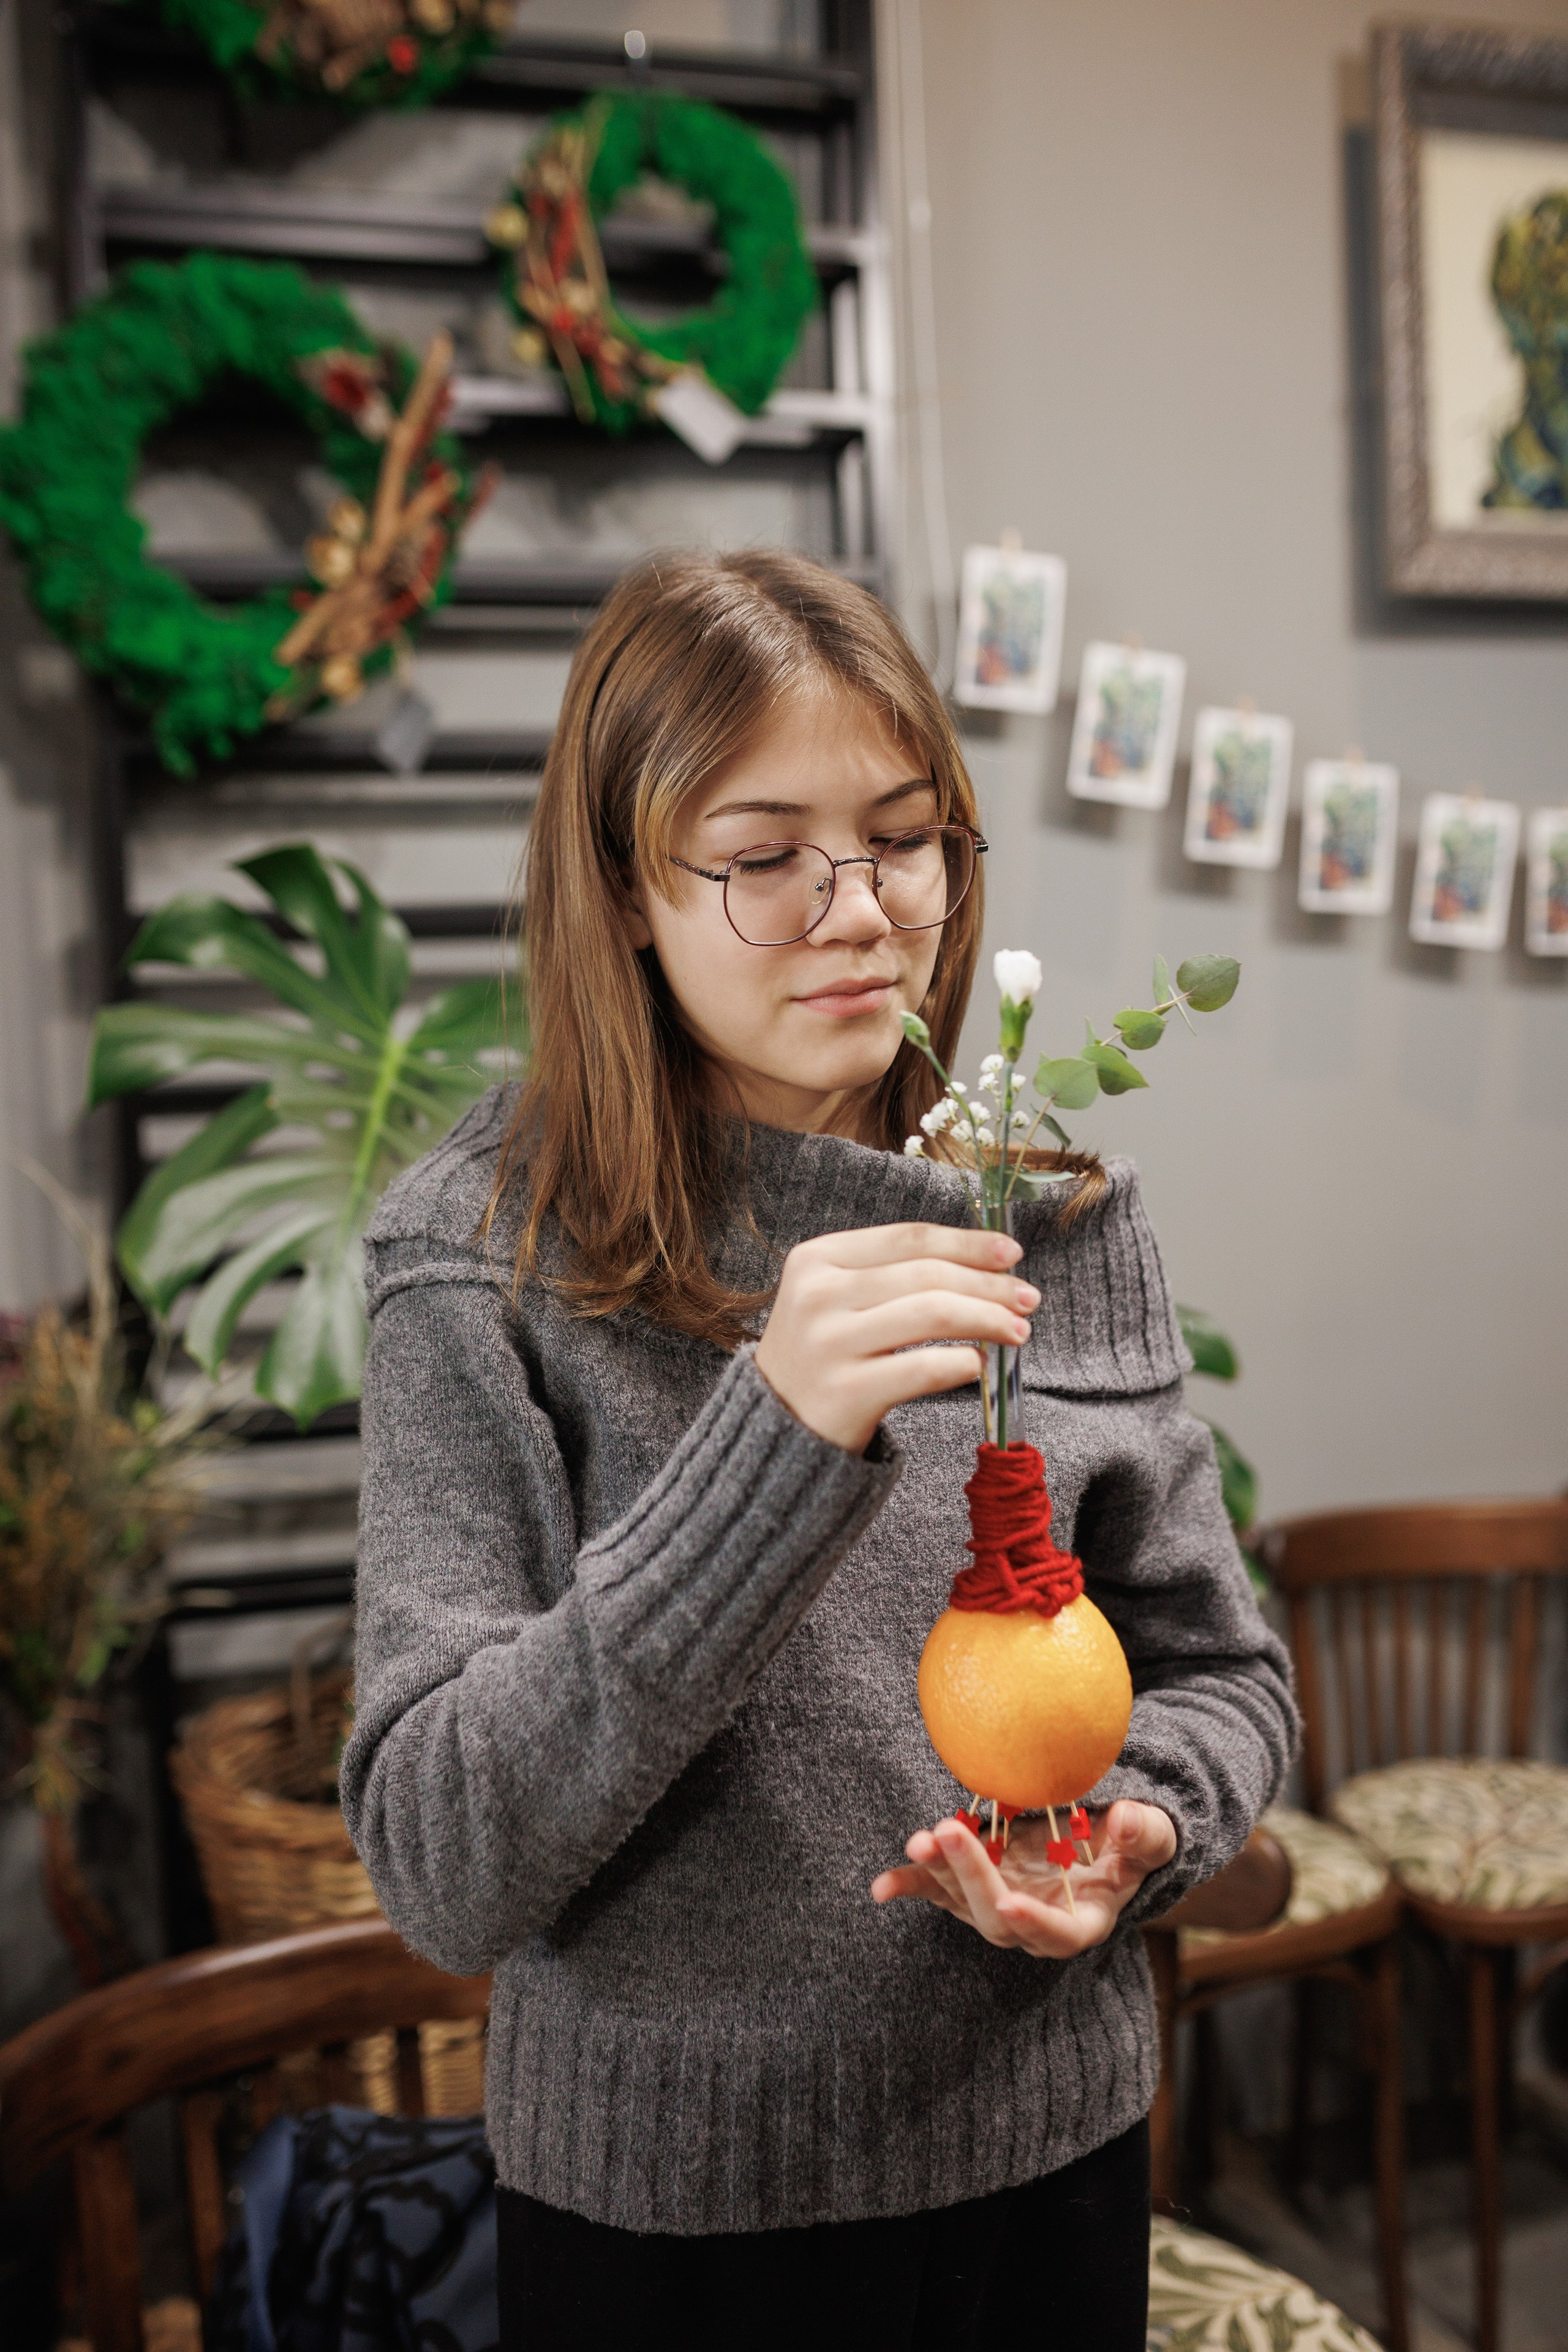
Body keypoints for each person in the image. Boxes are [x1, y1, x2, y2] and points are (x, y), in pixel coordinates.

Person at [341, 548, 1296, 2351]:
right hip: (666, 2227)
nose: (861, 910)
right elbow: (442, 1860)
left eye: (905, 836)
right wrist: (774, 1437)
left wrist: (1139, 1825)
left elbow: (1219, 1673)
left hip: (1047, 2157)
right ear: (627, 887)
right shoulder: (480, 1256)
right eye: (765, 858)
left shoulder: (1045, 1212)